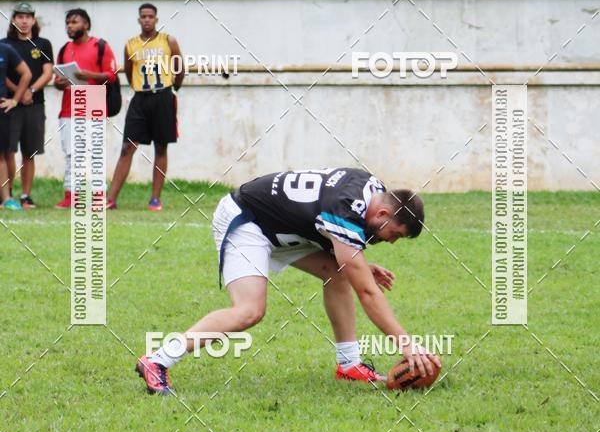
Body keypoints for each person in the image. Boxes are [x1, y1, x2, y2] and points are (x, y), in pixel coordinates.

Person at [135, 167, 441, 396]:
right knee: (250, 311)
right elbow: (368, 293)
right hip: (248, 221)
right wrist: (408, 345)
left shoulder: (370, 187)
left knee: (339, 272)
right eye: (394, 235)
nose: (391, 242)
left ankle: (349, 364)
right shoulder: (346, 211)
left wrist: (354, 260)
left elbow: (319, 216)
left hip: (275, 222)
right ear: (384, 213)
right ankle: (158, 360)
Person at [106, 4, 183, 212]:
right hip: (140, 99)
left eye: (150, 16)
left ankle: (155, 199)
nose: (147, 20)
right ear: (139, 20)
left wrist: (173, 88)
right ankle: (110, 198)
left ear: (156, 19)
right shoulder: (130, 44)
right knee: (127, 146)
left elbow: (179, 68)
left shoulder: (168, 40)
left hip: (163, 97)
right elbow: (130, 73)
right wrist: (139, 88)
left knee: (161, 146)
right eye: (143, 17)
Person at [53, 9, 117, 209]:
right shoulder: (64, 49)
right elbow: (56, 81)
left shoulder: (100, 46)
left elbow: (111, 74)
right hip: (69, 107)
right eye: (68, 23)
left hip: (94, 104)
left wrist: (88, 75)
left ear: (86, 25)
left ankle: (98, 195)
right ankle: (71, 194)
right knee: (72, 153)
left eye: (74, 22)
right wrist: (61, 82)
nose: (70, 26)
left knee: (95, 153)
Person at [2, 3, 54, 209]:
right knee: (8, 151)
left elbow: (48, 72)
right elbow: (2, 74)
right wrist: (18, 93)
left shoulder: (43, 43)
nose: (24, 21)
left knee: (29, 152)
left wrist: (30, 91)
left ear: (34, 20)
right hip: (9, 104)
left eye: (28, 17)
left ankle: (26, 195)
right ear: (13, 20)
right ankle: (8, 194)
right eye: (20, 17)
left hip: (35, 104)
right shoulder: (4, 44)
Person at [0, 39, 31, 211]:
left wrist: (15, 100)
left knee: (1, 156)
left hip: (1, 108)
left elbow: (26, 73)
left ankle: (6, 198)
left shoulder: (6, 49)